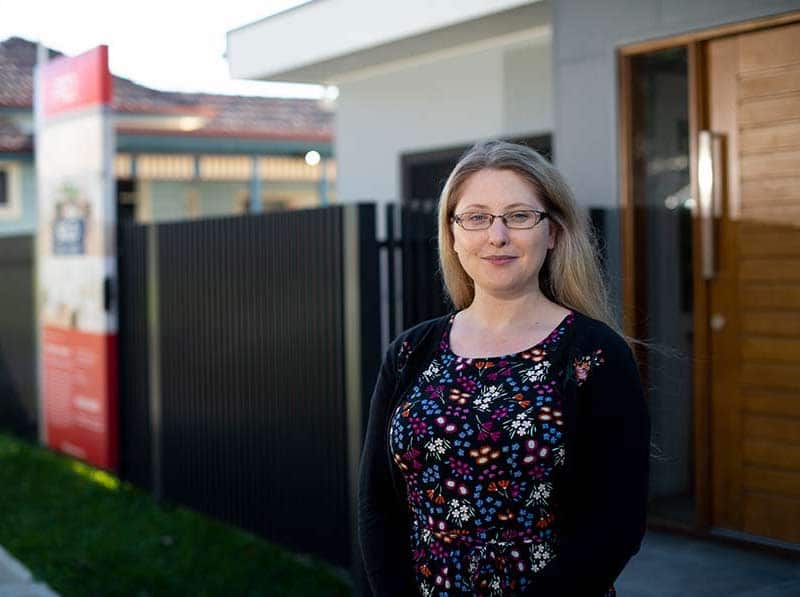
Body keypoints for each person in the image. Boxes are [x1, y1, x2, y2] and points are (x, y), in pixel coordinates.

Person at [358, 140, 650, 596]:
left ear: (551, 232)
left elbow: (616, 523)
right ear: (452, 235)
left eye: (518, 216)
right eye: (476, 217)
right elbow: (377, 502)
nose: (497, 236)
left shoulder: (594, 355)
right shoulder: (410, 352)